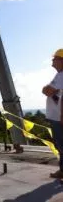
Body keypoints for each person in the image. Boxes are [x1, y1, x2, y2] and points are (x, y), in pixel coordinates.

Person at [42, 48, 63, 178]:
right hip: (58, 116)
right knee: (60, 146)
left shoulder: (61, 76)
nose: (52, 60)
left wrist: (47, 88)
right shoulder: (59, 75)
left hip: (59, 117)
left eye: (55, 58)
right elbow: (49, 91)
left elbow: (47, 91)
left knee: (61, 145)